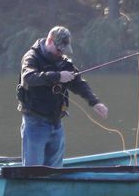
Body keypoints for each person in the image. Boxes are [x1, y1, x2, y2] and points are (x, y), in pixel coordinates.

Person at [17, 26, 108, 167]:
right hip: (35, 122)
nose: (61, 53)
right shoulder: (32, 57)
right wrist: (58, 76)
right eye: (59, 49)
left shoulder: (64, 63)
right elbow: (29, 78)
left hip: (56, 123)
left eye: (63, 50)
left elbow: (79, 83)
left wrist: (95, 102)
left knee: (55, 170)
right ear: (49, 41)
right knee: (32, 170)